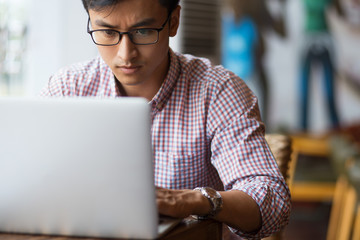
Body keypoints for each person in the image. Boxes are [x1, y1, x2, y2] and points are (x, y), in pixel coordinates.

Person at [40, 0, 291, 239]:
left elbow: (272, 204)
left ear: (173, 21)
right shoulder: (68, 88)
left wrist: (193, 201)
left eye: (144, 31)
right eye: (107, 32)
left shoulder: (217, 92)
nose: (125, 54)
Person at [222, 0, 287, 125]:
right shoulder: (230, 19)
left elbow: (281, 32)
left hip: (252, 67)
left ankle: (262, 128)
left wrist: (281, 8)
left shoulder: (256, 8)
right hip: (239, 69)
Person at [299, 0, 344, 131]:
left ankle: (336, 129)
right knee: (304, 92)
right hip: (308, 39)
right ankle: (303, 130)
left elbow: (339, 12)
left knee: (329, 91)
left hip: (324, 39)